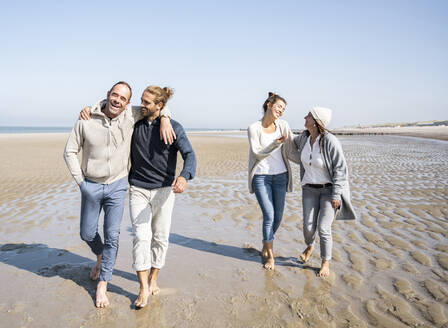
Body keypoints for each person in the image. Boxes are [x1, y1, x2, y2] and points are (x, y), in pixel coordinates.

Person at [63, 81, 174, 308]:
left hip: (117, 186)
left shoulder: (130, 116)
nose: (118, 101)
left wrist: (165, 118)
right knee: (86, 233)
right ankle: (100, 255)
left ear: (127, 104)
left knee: (112, 236)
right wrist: (81, 183)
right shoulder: (86, 119)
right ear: (108, 95)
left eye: (123, 99)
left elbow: (159, 106)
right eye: (115, 96)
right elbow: (70, 151)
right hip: (90, 185)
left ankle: (103, 283)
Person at [128, 86, 196, 308]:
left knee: (160, 237)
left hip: (165, 191)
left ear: (160, 106)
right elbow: (112, 106)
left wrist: (185, 177)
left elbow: (190, 155)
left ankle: (154, 277)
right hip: (137, 188)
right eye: (142, 100)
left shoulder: (174, 127)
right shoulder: (134, 122)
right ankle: (143, 288)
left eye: (147, 102)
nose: (142, 105)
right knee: (141, 236)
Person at [294, 107, 356, 277]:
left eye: (308, 115)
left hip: (329, 191)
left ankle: (325, 262)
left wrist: (336, 194)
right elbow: (290, 145)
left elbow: (340, 169)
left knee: (323, 228)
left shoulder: (330, 141)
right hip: (309, 190)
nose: (305, 117)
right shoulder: (303, 139)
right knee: (308, 228)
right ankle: (310, 245)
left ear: (315, 121)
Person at [247, 92, 299, 270]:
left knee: (278, 217)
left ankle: (266, 242)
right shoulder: (254, 128)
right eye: (279, 107)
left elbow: (292, 149)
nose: (281, 111)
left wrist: (309, 160)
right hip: (261, 177)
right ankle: (270, 256)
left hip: (281, 177)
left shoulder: (283, 125)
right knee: (269, 215)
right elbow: (257, 153)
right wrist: (276, 143)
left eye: (283, 109)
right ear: (269, 104)